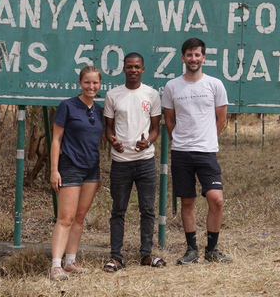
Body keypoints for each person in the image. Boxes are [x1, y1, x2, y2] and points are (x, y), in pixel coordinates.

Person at [162, 38, 232, 264]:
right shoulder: (172, 86)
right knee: (188, 202)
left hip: (206, 151)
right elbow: (169, 120)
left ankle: (212, 250)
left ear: (204, 58)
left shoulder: (215, 84)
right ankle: (192, 250)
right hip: (181, 152)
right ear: (183, 58)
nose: (193, 59)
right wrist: (179, 139)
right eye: (189, 55)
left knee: (216, 200)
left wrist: (207, 138)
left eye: (197, 55)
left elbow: (221, 119)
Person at [102, 52, 166, 272]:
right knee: (118, 210)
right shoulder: (113, 95)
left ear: (143, 69)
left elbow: (156, 128)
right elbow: (108, 128)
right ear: (123, 69)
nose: (133, 70)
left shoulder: (151, 94)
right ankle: (116, 257)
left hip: (145, 161)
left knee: (147, 210)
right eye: (129, 67)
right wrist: (113, 141)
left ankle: (146, 254)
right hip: (120, 162)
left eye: (137, 67)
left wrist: (147, 141)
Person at [49, 66, 103, 281]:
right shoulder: (67, 106)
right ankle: (55, 266)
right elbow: (56, 140)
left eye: (95, 83)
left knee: (79, 217)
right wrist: (54, 170)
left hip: (92, 169)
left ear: (100, 85)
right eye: (87, 82)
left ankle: (70, 261)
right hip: (70, 166)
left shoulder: (98, 110)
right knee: (65, 218)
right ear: (80, 83)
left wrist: (99, 173)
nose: (91, 87)